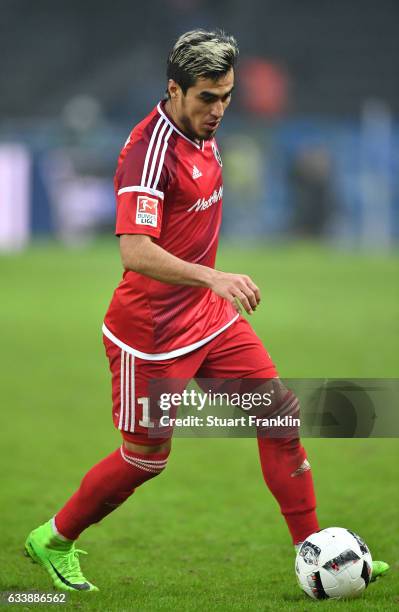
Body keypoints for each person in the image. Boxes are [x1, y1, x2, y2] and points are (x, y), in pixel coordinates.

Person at [25, 29, 389, 593]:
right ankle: (53, 538)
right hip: (150, 335)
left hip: (208, 319)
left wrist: (207, 287)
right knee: (145, 460)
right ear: (174, 89)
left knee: (280, 417)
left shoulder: (203, 132)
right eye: (206, 98)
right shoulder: (148, 152)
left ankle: (318, 554)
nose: (219, 110)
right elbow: (134, 250)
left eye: (226, 96)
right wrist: (214, 276)